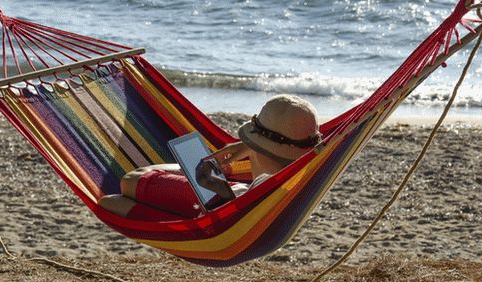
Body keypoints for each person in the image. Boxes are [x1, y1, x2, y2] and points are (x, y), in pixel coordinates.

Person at [98, 94, 321, 221]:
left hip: (220, 207)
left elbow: (230, 221)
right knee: (114, 200)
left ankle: (188, 172)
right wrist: (248, 146)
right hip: (238, 196)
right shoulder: (312, 162)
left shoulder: (265, 182)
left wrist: (221, 192)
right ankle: (193, 168)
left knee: (129, 182)